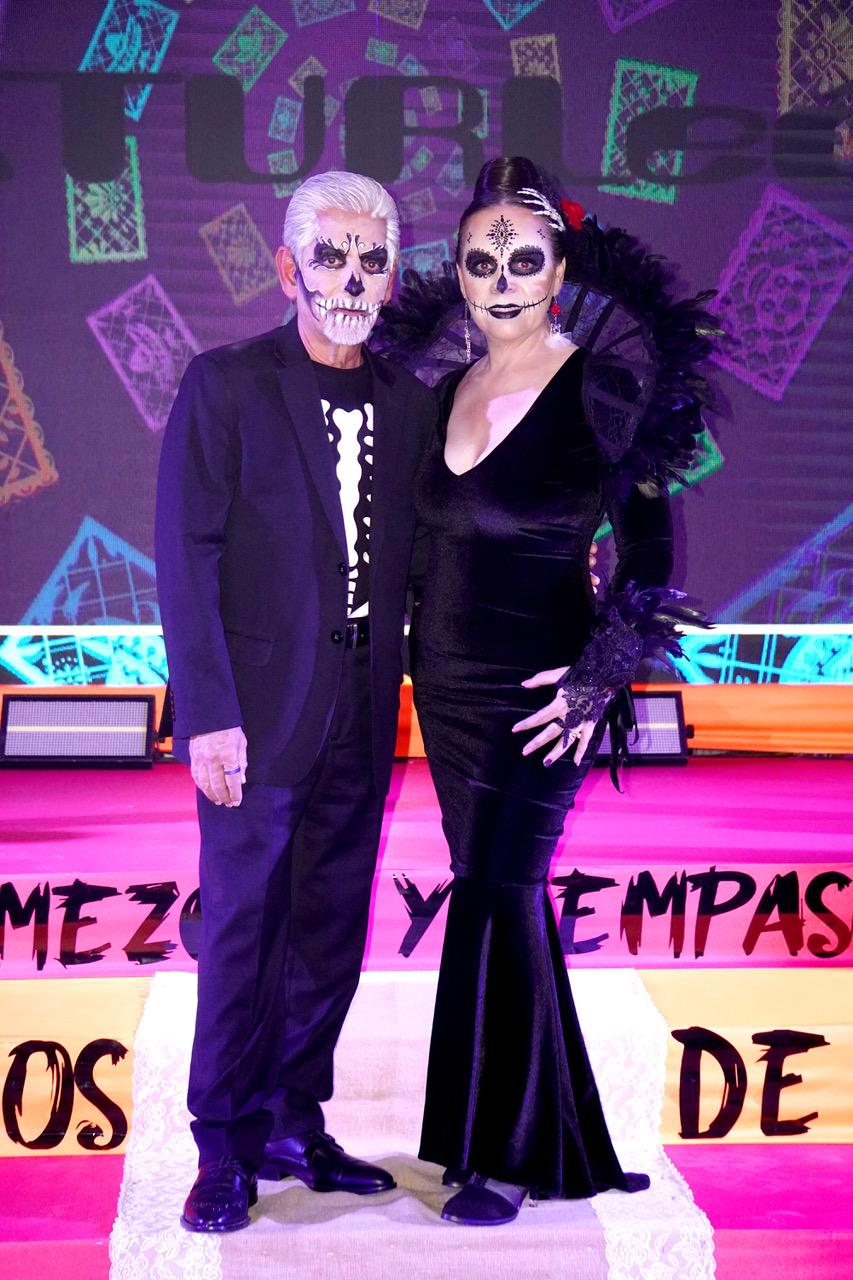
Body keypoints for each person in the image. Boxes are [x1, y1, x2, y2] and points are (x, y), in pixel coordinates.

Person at [404, 156, 712, 1226]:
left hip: (543, 691)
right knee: (497, 888)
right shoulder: (442, 392)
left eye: (522, 261)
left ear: (558, 271)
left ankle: (496, 1154)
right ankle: (553, 1134)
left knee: (497, 884)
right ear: (457, 271)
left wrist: (596, 678)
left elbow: (649, 549)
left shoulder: (600, 389)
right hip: (445, 687)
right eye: (480, 262)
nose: (500, 281)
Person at [155, 171, 436, 1233]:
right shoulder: (226, 384)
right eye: (331, 255)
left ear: (391, 276)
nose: (352, 277)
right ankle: (222, 1145)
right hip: (255, 713)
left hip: (363, 709)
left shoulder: (409, 403)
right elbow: (186, 552)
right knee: (242, 928)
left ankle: (290, 1120)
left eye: (372, 259)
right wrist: (207, 714)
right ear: (287, 268)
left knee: (327, 927)